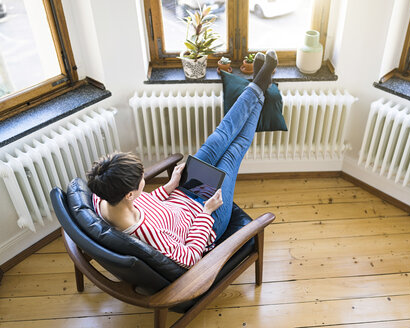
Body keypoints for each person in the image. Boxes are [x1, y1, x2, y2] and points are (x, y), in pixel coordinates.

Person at [86, 50, 278, 268]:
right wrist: (206, 212)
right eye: (141, 179)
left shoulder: (103, 196)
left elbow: (147, 204)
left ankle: (259, 86)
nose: (144, 179)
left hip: (182, 193)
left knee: (219, 137)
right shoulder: (146, 234)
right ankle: (261, 87)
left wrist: (169, 186)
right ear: (130, 194)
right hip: (208, 217)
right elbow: (189, 258)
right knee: (234, 150)